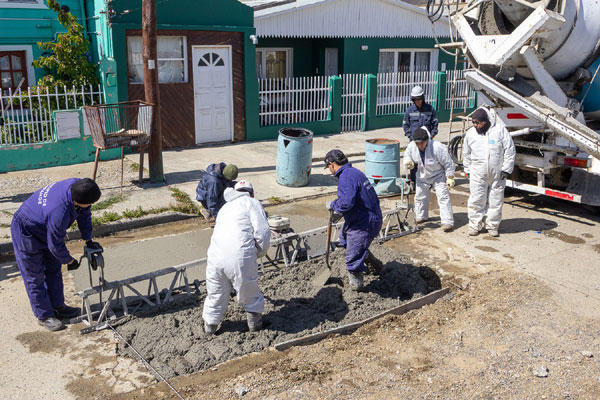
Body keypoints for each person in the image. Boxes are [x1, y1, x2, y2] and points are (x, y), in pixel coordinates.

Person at [10, 178, 102, 332]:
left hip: (43, 223)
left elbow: (85, 213)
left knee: (53, 269)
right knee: (34, 275)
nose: (90, 205)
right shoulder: (59, 212)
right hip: (26, 229)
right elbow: (55, 245)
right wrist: (69, 260)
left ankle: (58, 307)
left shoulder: (80, 187)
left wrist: (88, 239)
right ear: (77, 201)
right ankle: (44, 315)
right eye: (89, 203)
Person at [202, 180, 271, 335]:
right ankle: (255, 327)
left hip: (215, 257)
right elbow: (262, 233)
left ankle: (210, 329)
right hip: (240, 256)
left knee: (216, 294)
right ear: (251, 193)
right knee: (249, 291)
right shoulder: (252, 203)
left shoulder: (225, 208)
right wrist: (260, 252)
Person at [324, 149, 383, 291]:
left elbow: (346, 203)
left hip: (365, 222)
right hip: (364, 216)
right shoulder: (354, 172)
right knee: (344, 238)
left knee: (353, 258)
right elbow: (355, 199)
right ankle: (373, 263)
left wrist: (334, 205)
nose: (330, 170)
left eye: (328, 167)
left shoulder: (345, 177)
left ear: (332, 164)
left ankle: (357, 288)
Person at [463, 107, 516, 237]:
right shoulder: (471, 134)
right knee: (476, 200)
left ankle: (492, 226)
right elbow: (466, 153)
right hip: (477, 173)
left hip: (497, 174)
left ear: (485, 121)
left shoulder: (499, 131)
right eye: (473, 122)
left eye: (477, 123)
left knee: (495, 201)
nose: (475, 125)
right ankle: (474, 225)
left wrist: (506, 169)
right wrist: (467, 170)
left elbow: (509, 150)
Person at [403, 127, 456, 232]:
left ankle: (447, 221)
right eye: (417, 143)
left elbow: (448, 163)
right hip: (422, 175)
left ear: (427, 140)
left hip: (438, 175)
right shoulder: (412, 146)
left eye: (421, 143)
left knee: (443, 197)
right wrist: (408, 161)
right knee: (420, 196)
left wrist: (450, 177)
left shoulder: (437, 147)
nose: (419, 146)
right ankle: (421, 216)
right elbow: (407, 155)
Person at [402, 85, 440, 184]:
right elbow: (405, 125)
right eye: (415, 99)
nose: (417, 101)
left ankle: (428, 182)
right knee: (414, 163)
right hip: (414, 142)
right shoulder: (409, 110)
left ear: (422, 98)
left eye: (419, 99)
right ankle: (414, 182)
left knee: (428, 162)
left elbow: (435, 125)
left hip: (427, 142)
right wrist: (410, 136)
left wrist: (431, 136)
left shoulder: (430, 109)